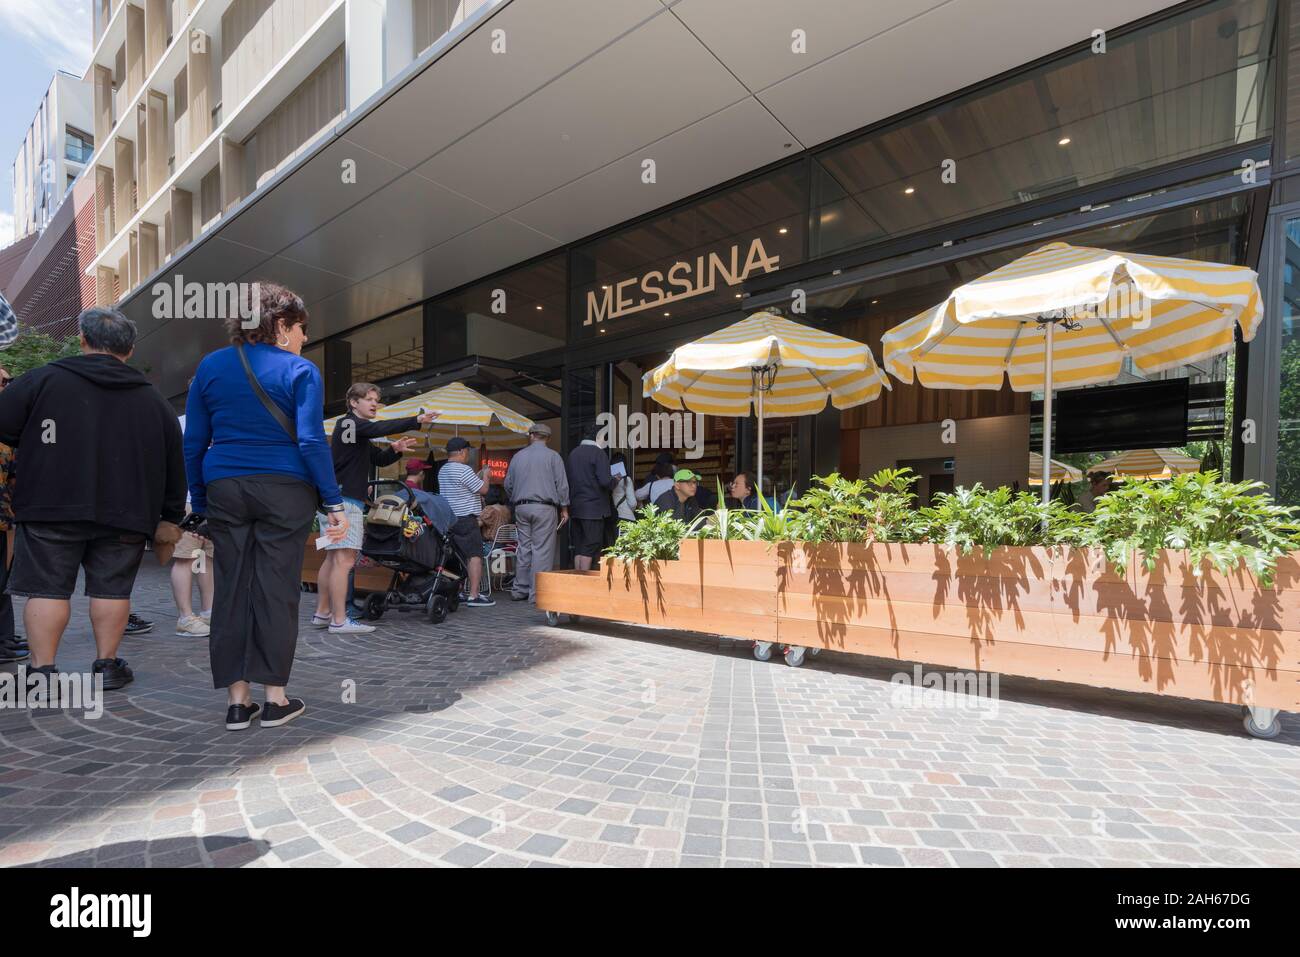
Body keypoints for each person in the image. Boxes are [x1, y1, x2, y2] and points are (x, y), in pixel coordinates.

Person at [185, 283, 347, 730]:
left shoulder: (210, 366)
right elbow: (313, 440)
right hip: (284, 487)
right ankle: (275, 698)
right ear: (280, 325)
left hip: (225, 486)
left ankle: (238, 703)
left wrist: (200, 501)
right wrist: (333, 501)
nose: (305, 338)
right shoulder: (301, 370)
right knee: (277, 588)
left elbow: (194, 442)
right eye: (301, 327)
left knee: (231, 587)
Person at [0, 307, 186, 692]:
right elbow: (174, 464)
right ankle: (106, 666)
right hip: (127, 511)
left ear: (83, 341)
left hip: (51, 505)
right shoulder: (154, 401)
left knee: (47, 589)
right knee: (112, 589)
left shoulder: (42, 380)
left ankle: (42, 674)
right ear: (130, 350)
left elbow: (4, 425)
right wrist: (169, 515)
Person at [312, 383, 436, 634]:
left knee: (333, 558)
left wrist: (394, 449)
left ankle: (323, 613)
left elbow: (377, 458)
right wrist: (415, 419)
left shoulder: (354, 430)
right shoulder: (350, 424)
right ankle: (339, 620)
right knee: (344, 560)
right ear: (353, 402)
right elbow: (379, 427)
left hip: (335, 499)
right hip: (345, 501)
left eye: (376, 400)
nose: (374, 404)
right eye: (368, 399)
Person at [504, 422, 569, 603]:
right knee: (542, 550)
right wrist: (564, 508)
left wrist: (517, 498)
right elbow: (562, 485)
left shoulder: (518, 457)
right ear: (547, 438)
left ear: (531, 435)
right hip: (544, 507)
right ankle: (536, 593)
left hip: (521, 506)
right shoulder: (553, 457)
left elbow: (507, 484)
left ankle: (520, 589)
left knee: (524, 548)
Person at [438, 437, 494, 607]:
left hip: (449, 520)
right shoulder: (464, 470)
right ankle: (474, 595)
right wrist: (485, 475)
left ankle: (459, 592)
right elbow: (483, 490)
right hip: (466, 519)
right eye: (468, 451)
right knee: (474, 556)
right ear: (462, 451)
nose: (468, 454)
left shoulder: (442, 470)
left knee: (457, 558)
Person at [0, 365, 28, 665]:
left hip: (5, 514)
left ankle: (5, 638)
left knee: (2, 579)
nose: (9, 386)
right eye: (5, 381)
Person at [566, 424, 615, 571]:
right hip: (593, 508)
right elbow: (605, 481)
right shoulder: (598, 453)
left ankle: (577, 579)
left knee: (579, 545)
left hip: (575, 507)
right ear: (598, 437)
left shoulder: (573, 454)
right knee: (591, 543)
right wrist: (616, 480)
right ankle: (584, 581)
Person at [171, 502, 214, 636]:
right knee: (185, 559)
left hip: (212, 504)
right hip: (190, 504)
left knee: (206, 557)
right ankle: (185, 619)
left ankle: (208, 613)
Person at [610, 451, 637, 524]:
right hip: (626, 516)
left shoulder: (608, 480)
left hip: (614, 517)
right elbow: (632, 503)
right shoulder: (626, 480)